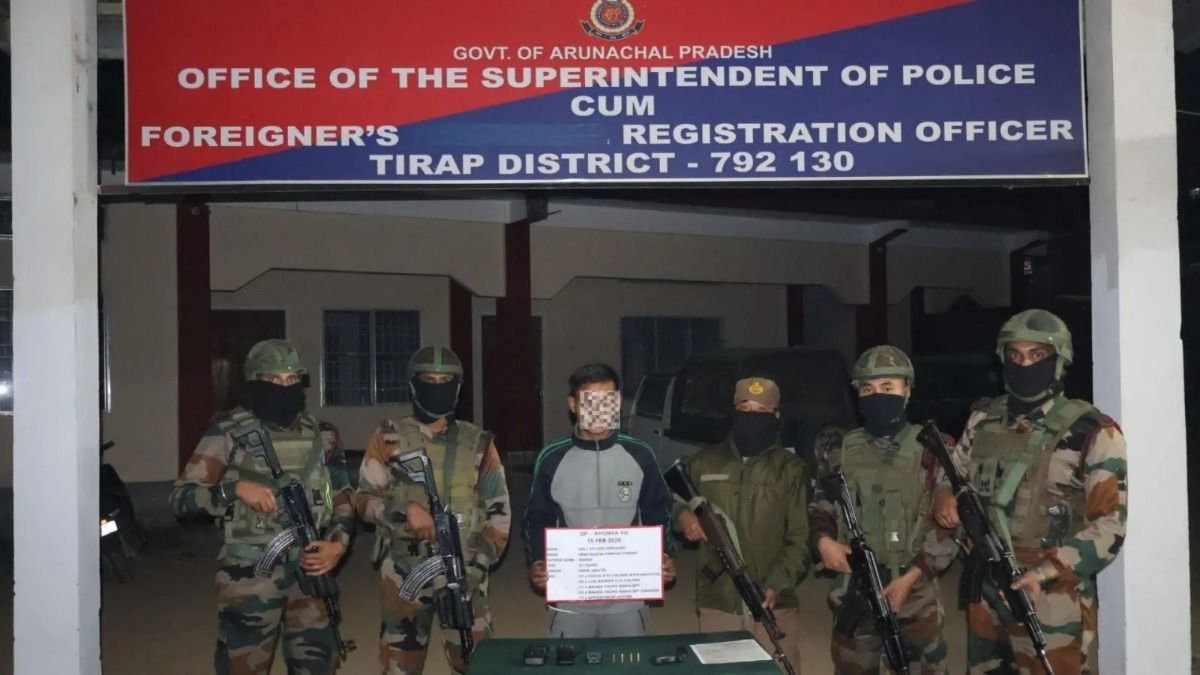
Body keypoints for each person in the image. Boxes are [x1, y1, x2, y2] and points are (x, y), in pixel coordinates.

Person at [933, 309, 1128, 675]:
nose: (1024, 365)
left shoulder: (1092, 431)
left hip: (1051, 595)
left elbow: (1110, 527)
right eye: (1015, 355)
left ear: (1059, 361)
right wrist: (944, 496)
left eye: (1037, 355)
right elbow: (952, 473)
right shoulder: (984, 419)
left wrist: (1044, 573)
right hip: (986, 581)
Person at [170, 339, 354, 675]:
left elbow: (342, 496)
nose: (284, 388)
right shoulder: (228, 433)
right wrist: (234, 490)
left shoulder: (323, 435)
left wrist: (337, 545)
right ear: (255, 382)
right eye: (273, 380)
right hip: (249, 574)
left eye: (291, 380)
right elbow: (182, 498)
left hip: (311, 569)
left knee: (317, 664)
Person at [356, 346, 510, 675]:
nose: (437, 387)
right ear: (414, 384)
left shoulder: (479, 443)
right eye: (429, 380)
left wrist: (475, 569)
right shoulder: (389, 438)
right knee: (400, 666)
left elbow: (499, 516)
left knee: (477, 663)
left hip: (465, 570)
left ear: (458, 388)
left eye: (445, 381)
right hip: (404, 569)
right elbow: (363, 501)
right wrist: (403, 510)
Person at [809, 346, 955, 674]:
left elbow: (949, 526)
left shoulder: (933, 447)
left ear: (907, 390)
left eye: (888, 387)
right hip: (856, 587)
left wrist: (913, 576)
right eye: (868, 388)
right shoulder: (840, 449)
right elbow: (821, 506)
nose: (877, 395)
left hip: (915, 590)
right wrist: (823, 542)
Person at [523, 362, 677, 638]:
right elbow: (537, 518)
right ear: (573, 404)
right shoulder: (552, 458)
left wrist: (665, 556)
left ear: (617, 403)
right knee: (569, 660)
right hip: (571, 596)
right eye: (588, 402)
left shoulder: (640, 455)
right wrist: (537, 561)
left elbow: (658, 511)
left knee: (629, 660)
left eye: (606, 401)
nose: (598, 411)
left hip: (628, 597)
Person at [675, 376, 810, 671]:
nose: (752, 418)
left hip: (775, 602)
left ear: (776, 415)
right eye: (744, 409)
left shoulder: (791, 470)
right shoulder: (704, 461)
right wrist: (682, 515)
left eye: (761, 411)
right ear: (733, 411)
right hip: (718, 600)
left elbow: (801, 540)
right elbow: (667, 499)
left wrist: (775, 584)